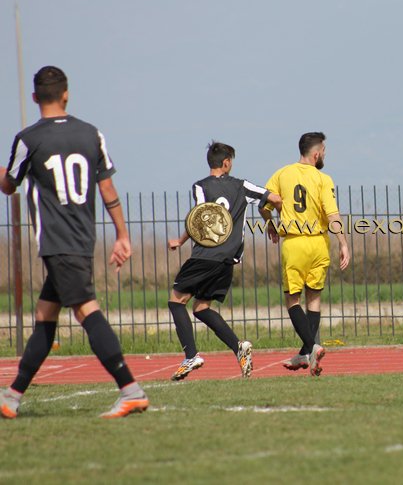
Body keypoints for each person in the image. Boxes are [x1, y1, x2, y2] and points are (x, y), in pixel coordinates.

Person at [0, 66, 147, 419]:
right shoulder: (91, 134)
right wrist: (122, 235)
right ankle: (11, 397)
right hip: (81, 238)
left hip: (58, 242)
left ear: (35, 97)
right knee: (45, 315)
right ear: (66, 94)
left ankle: (131, 390)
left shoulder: (28, 139)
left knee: (86, 310)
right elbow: (107, 187)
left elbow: (9, 186)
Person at [167, 142, 281, 381]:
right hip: (228, 259)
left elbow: (198, 217)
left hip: (205, 255)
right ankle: (239, 347)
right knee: (201, 308)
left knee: (176, 301)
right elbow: (275, 198)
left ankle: (191, 356)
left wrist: (180, 240)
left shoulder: (200, 187)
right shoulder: (242, 186)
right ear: (227, 162)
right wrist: (271, 223)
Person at [262, 132, 350, 376]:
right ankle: (306, 352)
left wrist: (270, 224)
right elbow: (332, 215)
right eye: (324, 152)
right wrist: (343, 243)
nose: (325, 155)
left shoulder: (282, 174)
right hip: (319, 243)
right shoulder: (323, 179)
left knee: (292, 300)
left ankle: (311, 347)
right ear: (317, 154)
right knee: (314, 300)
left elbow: (263, 204)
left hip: (294, 243)